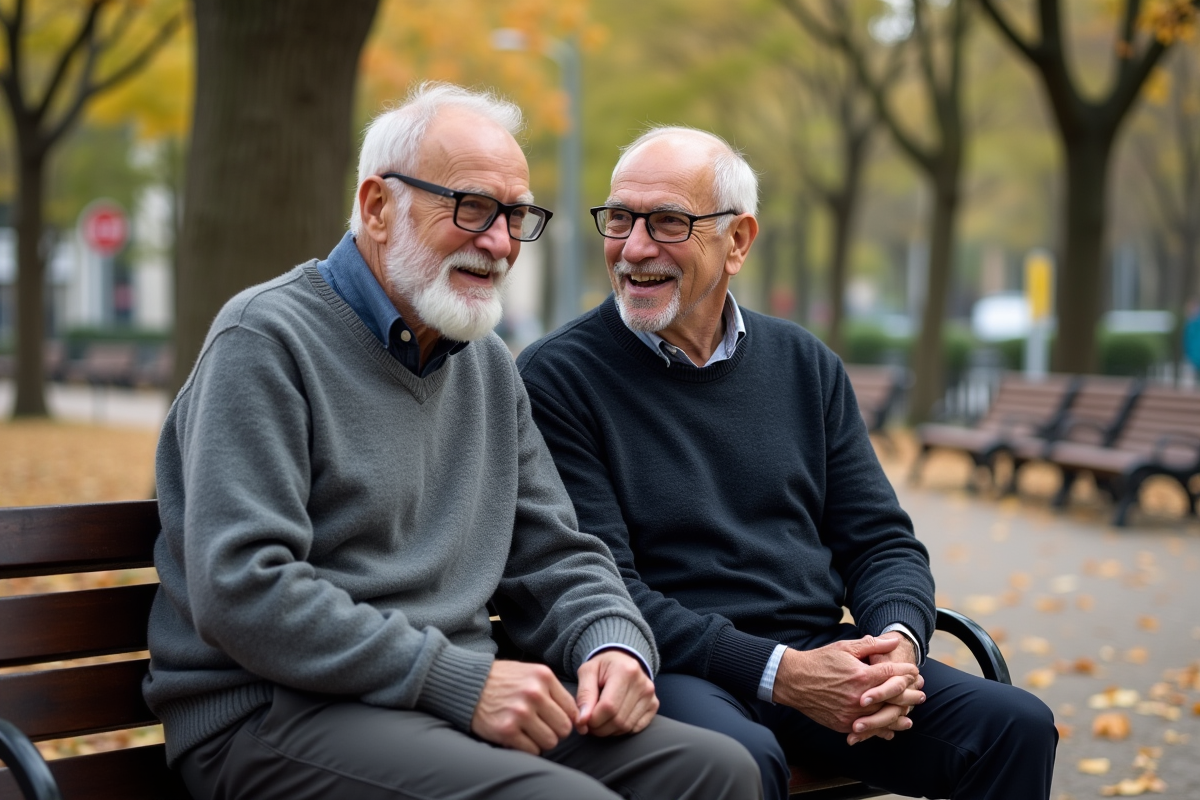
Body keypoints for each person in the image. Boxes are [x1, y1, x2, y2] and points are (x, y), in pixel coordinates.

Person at [143, 87, 762, 800]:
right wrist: (457, 681)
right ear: (378, 207)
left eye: (514, 216)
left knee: (716, 772)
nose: (499, 242)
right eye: (471, 207)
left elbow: (555, 553)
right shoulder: (266, 339)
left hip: (440, 704)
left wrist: (613, 642)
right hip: (271, 714)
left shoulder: (486, 364)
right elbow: (243, 587)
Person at [517, 125, 1059, 800]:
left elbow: (881, 539)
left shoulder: (805, 365)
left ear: (738, 241)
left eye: (666, 223)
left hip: (819, 651)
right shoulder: (558, 378)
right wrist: (785, 673)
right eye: (620, 219)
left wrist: (896, 643)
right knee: (740, 760)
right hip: (668, 667)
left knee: (1016, 727)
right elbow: (606, 590)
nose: (633, 248)